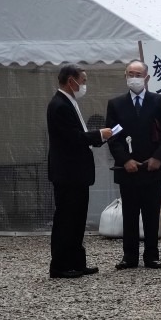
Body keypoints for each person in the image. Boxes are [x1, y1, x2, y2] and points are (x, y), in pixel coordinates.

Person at [105, 60, 161, 269]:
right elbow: (113, 136)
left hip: (152, 166)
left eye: (137, 74)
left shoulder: (159, 102)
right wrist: (125, 160)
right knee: (129, 213)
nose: (133, 78)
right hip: (128, 169)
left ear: (146, 78)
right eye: (129, 74)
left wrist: (158, 157)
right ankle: (129, 256)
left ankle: (152, 255)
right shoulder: (116, 104)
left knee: (151, 212)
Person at [46, 64, 113, 278]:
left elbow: (79, 136)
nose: (84, 85)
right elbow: (73, 138)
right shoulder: (59, 105)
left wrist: (98, 138)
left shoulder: (70, 103)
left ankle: (76, 261)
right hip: (67, 173)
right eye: (82, 81)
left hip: (76, 173)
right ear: (70, 81)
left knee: (77, 219)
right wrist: (99, 135)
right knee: (66, 219)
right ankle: (60, 265)